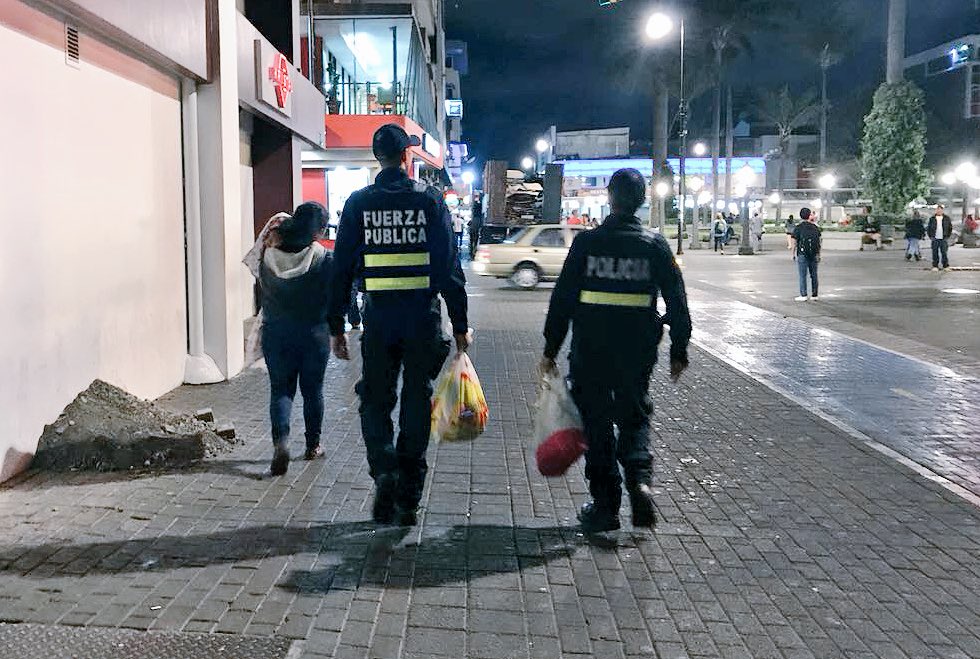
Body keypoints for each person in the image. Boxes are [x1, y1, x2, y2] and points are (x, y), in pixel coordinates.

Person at [329, 124, 470, 526]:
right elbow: (448, 268)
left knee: (375, 399)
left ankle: (385, 470)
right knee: (415, 400)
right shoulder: (428, 201)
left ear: (378, 158)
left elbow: (340, 269)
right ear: (407, 156)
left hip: (378, 320)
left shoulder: (359, 204)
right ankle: (408, 495)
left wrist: (336, 324)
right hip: (422, 319)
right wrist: (459, 324)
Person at [540, 168, 692, 533]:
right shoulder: (654, 246)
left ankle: (606, 506)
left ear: (610, 198)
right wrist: (678, 350)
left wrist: (550, 348)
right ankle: (640, 481)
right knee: (635, 416)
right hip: (636, 352)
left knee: (596, 424)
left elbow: (562, 300)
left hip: (591, 351)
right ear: (641, 201)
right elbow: (677, 301)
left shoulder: (587, 244)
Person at [259, 202, 333, 475]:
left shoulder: (267, 256)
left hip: (276, 334)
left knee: (280, 391)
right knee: (313, 391)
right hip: (314, 334)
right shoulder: (324, 258)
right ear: (318, 229)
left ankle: (281, 444)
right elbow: (335, 297)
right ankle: (313, 446)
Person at [791, 207, 821, 301]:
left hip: (802, 253)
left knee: (802, 275)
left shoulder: (799, 227)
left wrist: (793, 253)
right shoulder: (815, 227)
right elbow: (819, 242)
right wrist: (818, 254)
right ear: (809, 215)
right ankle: (814, 294)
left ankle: (803, 295)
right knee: (814, 275)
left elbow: (794, 241)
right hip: (814, 253)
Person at [928, 204, 953, 271]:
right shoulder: (932, 218)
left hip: (943, 238)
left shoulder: (946, 218)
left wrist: (947, 236)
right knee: (935, 252)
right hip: (935, 238)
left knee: (944, 252)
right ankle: (935, 266)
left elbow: (950, 228)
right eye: (937, 209)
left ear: (942, 210)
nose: (939, 211)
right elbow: (929, 228)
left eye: (940, 209)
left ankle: (945, 266)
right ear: (936, 210)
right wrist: (931, 236)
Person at [469, 193, 484, 259]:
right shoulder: (479, 218)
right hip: (476, 231)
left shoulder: (474, 219)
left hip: (473, 231)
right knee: (475, 242)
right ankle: (473, 252)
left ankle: (472, 252)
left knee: (473, 242)